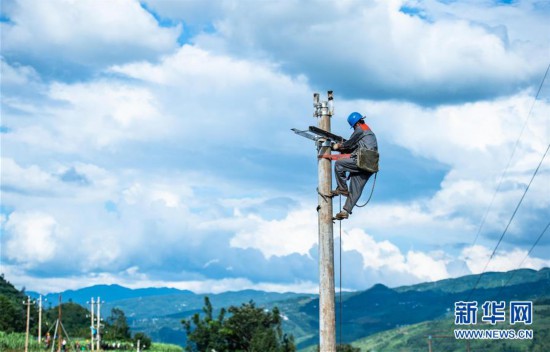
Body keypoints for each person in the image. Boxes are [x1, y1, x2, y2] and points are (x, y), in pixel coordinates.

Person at [331, 112, 378, 220]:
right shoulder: (369, 132)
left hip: (363, 161)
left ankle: (342, 188)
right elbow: (355, 146)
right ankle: (345, 211)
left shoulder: (360, 130)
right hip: (371, 165)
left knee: (339, 164)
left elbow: (349, 144)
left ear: (355, 124)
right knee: (356, 188)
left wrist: (337, 146)